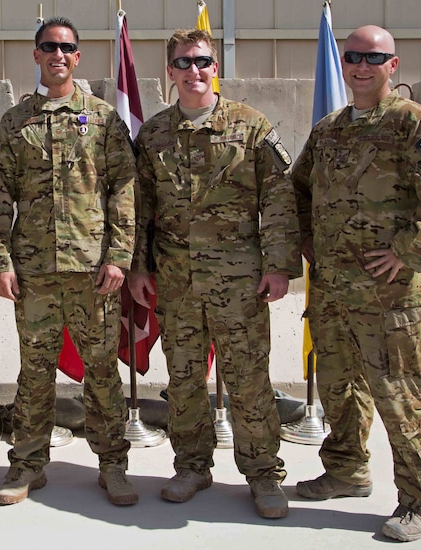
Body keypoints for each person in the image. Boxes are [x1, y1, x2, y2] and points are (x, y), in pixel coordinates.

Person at [292, 25, 421, 542]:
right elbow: (298, 189)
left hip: (389, 297)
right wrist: (307, 238)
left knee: (401, 396)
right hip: (332, 292)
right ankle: (346, 469)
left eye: (374, 57)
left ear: (392, 66)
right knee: (339, 388)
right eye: (352, 56)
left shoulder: (411, 123)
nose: (361, 66)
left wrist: (409, 251)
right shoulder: (330, 128)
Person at [128, 29, 301, 519]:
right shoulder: (155, 133)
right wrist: (139, 267)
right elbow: (139, 208)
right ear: (171, 71)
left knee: (248, 380)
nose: (193, 71)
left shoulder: (250, 126)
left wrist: (279, 266)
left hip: (239, 282)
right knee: (183, 381)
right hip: (177, 283)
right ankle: (191, 466)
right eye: (183, 63)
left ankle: (264, 474)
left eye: (202, 61)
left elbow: (278, 200)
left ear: (215, 66)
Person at [0, 16, 137, 506]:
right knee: (34, 372)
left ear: (77, 57)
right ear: (36, 55)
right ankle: (27, 465)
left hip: (95, 273)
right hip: (33, 274)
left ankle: (112, 464)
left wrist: (119, 256)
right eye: (48, 47)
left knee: (103, 372)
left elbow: (123, 189)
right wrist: (1, 261)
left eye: (66, 48)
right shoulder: (15, 122)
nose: (57, 54)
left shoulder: (104, 119)